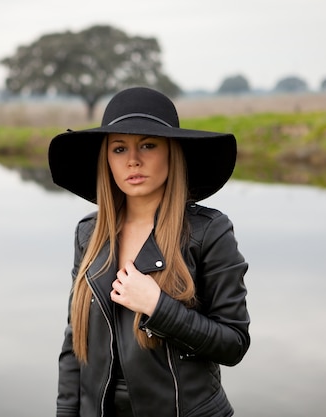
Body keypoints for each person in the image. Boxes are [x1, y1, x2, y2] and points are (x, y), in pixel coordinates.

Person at [48, 87, 250, 417]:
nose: (133, 160)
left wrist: (158, 307)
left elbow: (234, 343)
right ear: (106, 159)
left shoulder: (208, 232)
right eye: (119, 148)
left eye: (148, 144)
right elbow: (74, 345)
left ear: (172, 152)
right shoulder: (89, 233)